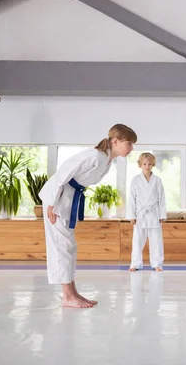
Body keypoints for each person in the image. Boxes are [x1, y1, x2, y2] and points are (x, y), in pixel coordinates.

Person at [40, 124, 137, 308]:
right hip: (57, 199)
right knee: (61, 246)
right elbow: (63, 173)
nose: (131, 148)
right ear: (115, 141)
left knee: (69, 246)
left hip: (67, 199)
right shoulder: (95, 156)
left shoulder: (106, 160)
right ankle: (67, 296)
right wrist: (52, 202)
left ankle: (73, 293)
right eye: (129, 143)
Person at [126, 152, 167, 272]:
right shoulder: (135, 180)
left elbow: (162, 198)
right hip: (140, 214)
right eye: (144, 163)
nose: (147, 166)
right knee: (138, 240)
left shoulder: (157, 181)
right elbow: (132, 199)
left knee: (156, 240)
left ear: (153, 164)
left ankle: (157, 264)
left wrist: (162, 215)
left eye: (149, 164)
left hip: (154, 213)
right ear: (140, 164)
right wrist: (132, 216)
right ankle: (135, 264)